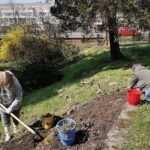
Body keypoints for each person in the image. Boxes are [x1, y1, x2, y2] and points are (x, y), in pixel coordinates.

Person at [0, 70, 23, 141]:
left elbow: (19, 97)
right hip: (3, 104)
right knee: (5, 120)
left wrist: (11, 107)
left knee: (16, 117)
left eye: (7, 85)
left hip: (14, 104)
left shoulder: (16, 84)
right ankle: (7, 134)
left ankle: (15, 128)